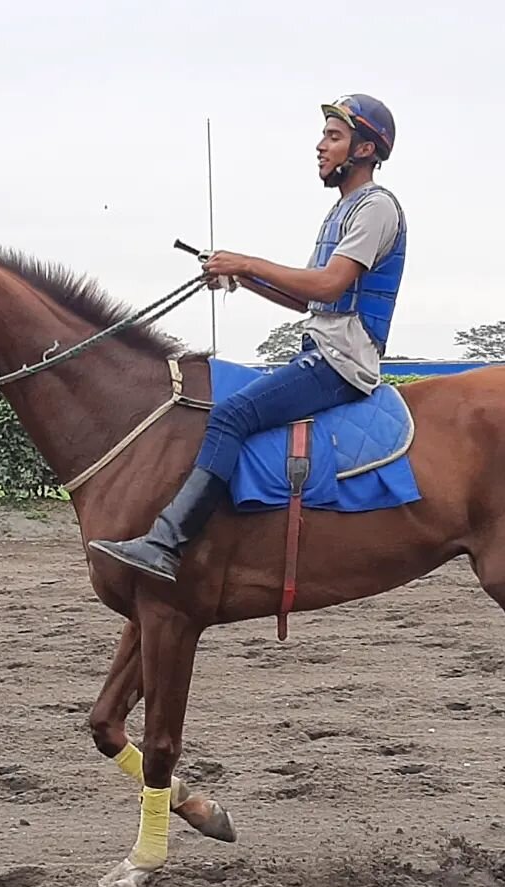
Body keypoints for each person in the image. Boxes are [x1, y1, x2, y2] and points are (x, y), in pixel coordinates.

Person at [88, 94, 407, 583]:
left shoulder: (376, 208)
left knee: (232, 415)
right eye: (324, 134)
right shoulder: (343, 211)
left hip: (342, 363)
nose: (320, 146)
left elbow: (327, 285)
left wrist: (247, 262)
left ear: (365, 150)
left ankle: (168, 541)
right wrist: (241, 279)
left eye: (334, 137)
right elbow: (308, 302)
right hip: (322, 350)